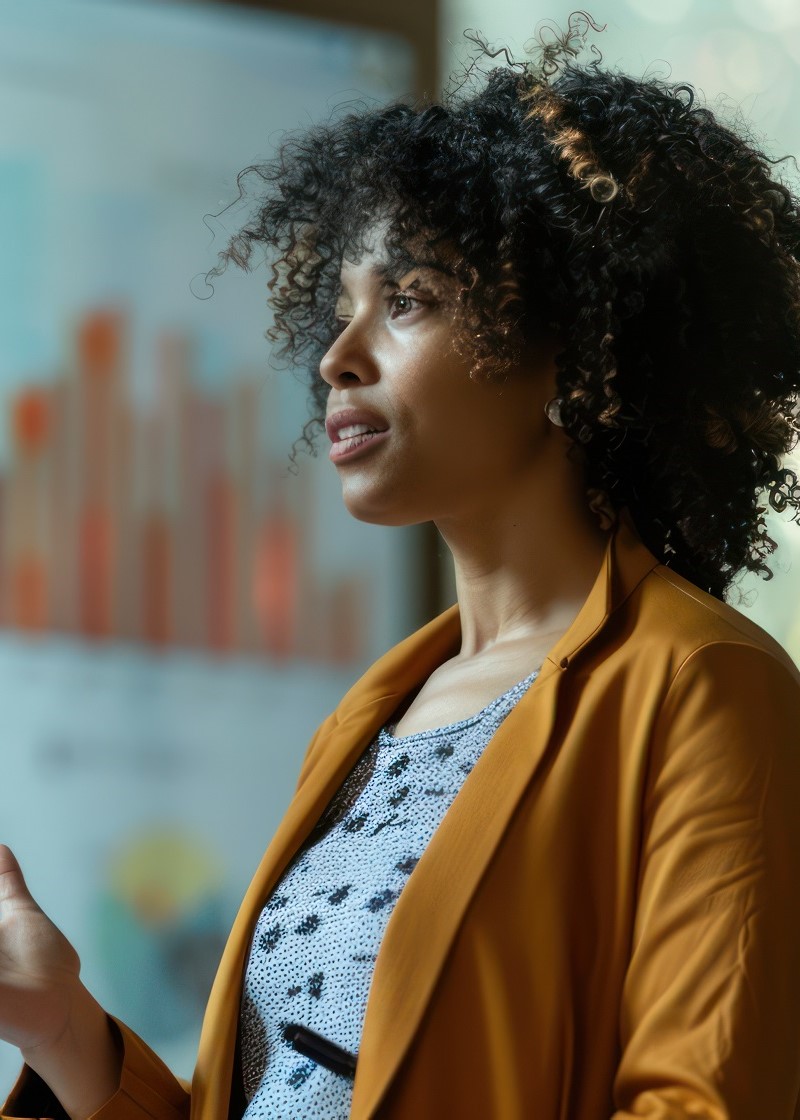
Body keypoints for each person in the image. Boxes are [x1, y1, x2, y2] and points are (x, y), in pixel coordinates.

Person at [2, 17, 800, 1119]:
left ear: (565, 342)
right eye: (340, 312)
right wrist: (64, 1031)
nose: (337, 356)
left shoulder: (699, 684)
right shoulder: (365, 721)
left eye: (408, 300)